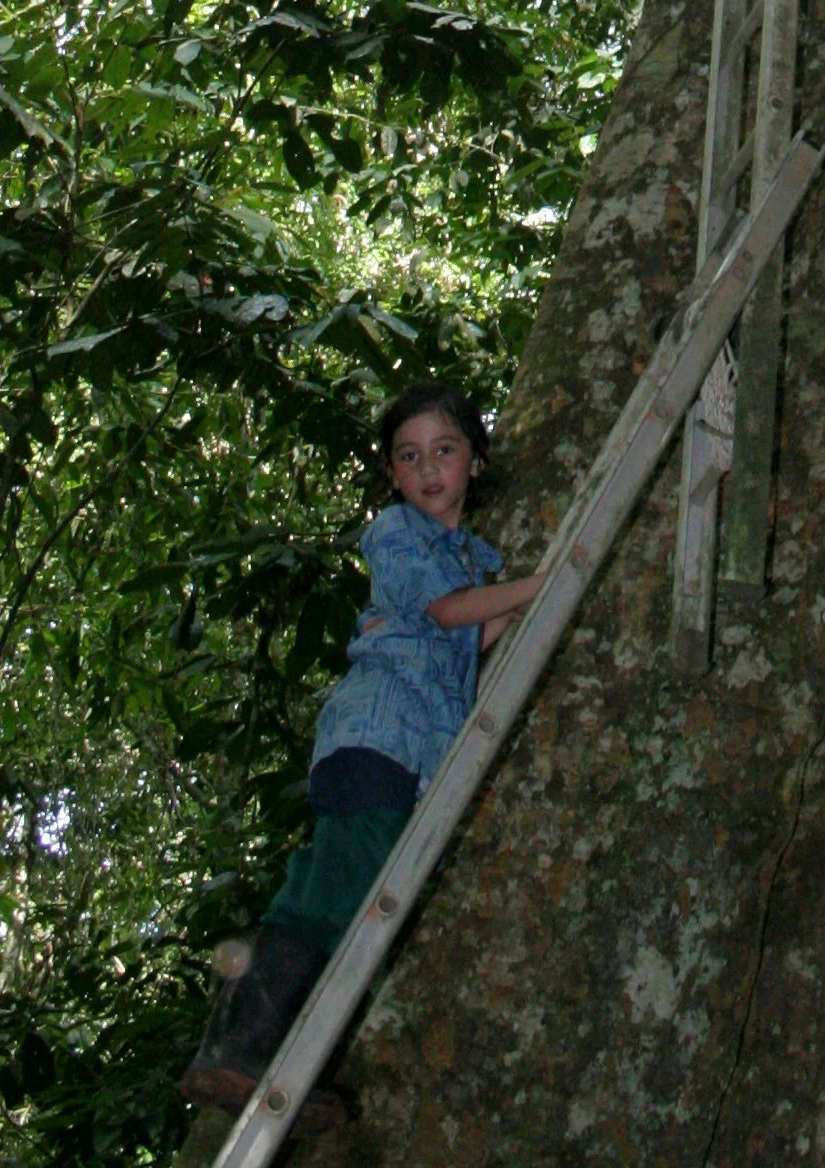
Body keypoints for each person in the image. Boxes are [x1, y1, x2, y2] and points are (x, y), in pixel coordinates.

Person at [180, 380, 541, 1115]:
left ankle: (255, 1055)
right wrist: (539, 583)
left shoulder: (465, 555)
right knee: (338, 897)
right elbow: (445, 614)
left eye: (445, 450)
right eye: (409, 457)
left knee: (331, 891)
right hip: (376, 740)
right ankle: (240, 1053)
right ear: (391, 475)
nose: (429, 469)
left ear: (475, 460)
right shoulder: (398, 533)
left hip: (396, 750)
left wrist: (513, 598)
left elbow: (466, 635)